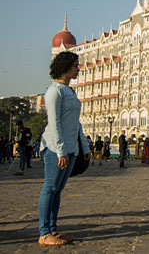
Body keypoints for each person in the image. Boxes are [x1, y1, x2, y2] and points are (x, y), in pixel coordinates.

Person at [38, 51, 91, 246]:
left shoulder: (70, 92)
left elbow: (76, 123)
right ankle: (44, 233)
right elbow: (54, 123)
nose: (79, 69)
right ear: (65, 67)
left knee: (58, 190)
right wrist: (60, 150)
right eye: (76, 65)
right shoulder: (54, 91)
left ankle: (53, 229)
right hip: (54, 148)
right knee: (50, 189)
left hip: (70, 147)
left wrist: (83, 147)